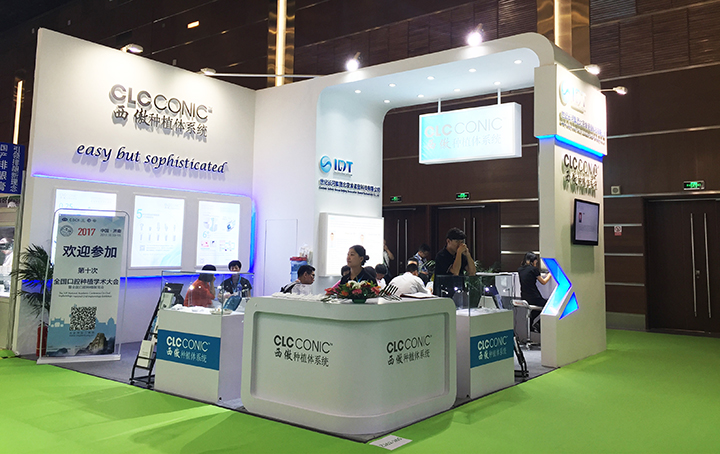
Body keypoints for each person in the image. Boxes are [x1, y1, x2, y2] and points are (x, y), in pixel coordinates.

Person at [433, 227, 477, 297]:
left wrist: (468, 255)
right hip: (444, 293)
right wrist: (459, 253)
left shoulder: (461, 256)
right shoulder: (441, 255)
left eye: (461, 242)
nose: (460, 245)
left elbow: (472, 272)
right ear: (448, 241)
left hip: (459, 292)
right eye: (457, 242)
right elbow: (455, 272)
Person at [518, 252, 551, 332]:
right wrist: (550, 274)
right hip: (534, 297)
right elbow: (543, 282)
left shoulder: (520, 269)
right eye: (535, 261)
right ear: (532, 261)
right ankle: (538, 323)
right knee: (548, 305)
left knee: (536, 308)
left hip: (524, 296)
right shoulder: (533, 269)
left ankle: (531, 324)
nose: (536, 263)